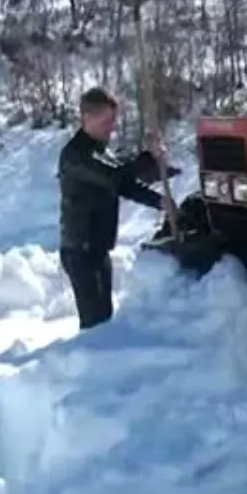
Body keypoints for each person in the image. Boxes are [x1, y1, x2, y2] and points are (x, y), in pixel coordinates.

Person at [58, 88, 164, 329]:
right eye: (107, 120)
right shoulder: (75, 155)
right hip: (81, 250)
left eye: (113, 119)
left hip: (97, 247)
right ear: (86, 117)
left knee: (104, 319)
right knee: (96, 323)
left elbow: (124, 185)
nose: (112, 126)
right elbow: (112, 178)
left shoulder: (100, 151)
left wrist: (160, 202)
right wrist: (148, 157)